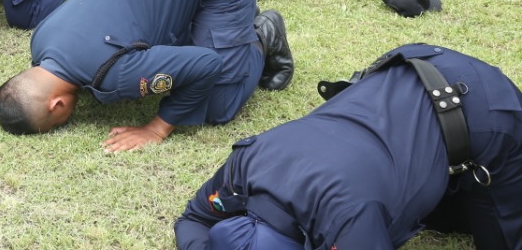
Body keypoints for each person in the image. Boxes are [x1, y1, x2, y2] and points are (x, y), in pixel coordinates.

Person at [175, 43, 522, 249]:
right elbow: (193, 220)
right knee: (435, 213)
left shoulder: (350, 218)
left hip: (483, 108)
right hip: (402, 67)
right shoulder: (245, 165)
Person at [0, 0, 294, 149]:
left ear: (56, 106)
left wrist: (157, 128)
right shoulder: (41, 41)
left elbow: (206, 64)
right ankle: (231, 25)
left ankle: (263, 34)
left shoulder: (112, 74)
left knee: (218, 104)